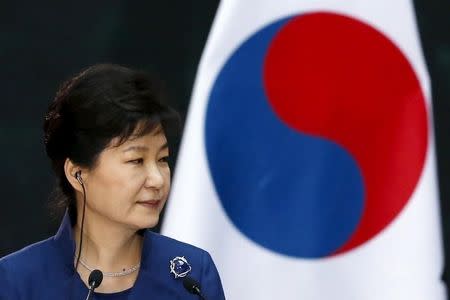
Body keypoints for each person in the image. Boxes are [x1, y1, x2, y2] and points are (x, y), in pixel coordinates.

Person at [0, 64, 225, 299]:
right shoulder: (17, 281)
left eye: (162, 159)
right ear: (77, 173)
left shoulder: (191, 275)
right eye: (137, 160)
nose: (157, 180)